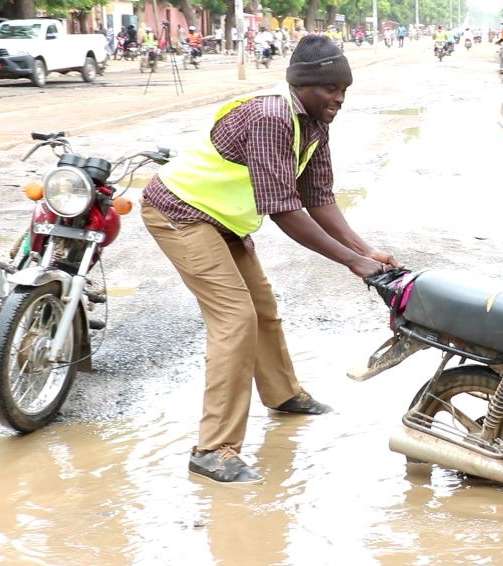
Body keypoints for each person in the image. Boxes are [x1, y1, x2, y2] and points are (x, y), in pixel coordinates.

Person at [140, 35, 400, 484]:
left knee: (263, 308)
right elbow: (284, 209)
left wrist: (364, 249)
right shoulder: (271, 116)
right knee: (235, 319)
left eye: (344, 89)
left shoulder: (315, 121)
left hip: (223, 220)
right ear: (303, 84)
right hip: (179, 211)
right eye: (330, 89)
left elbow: (317, 197)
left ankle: (283, 395)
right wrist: (351, 263)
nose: (339, 98)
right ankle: (213, 449)